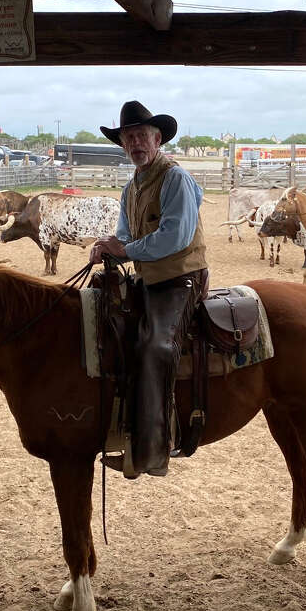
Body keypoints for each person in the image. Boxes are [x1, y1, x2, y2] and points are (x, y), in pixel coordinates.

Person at [89, 101, 207, 478]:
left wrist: (126, 249)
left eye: (142, 135)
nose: (136, 143)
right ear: (123, 144)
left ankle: (152, 451)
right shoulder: (132, 187)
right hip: (150, 279)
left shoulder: (174, 178)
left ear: (158, 139)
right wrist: (109, 245)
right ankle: (120, 429)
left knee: (157, 346)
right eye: (129, 137)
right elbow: (126, 234)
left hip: (181, 278)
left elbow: (175, 236)